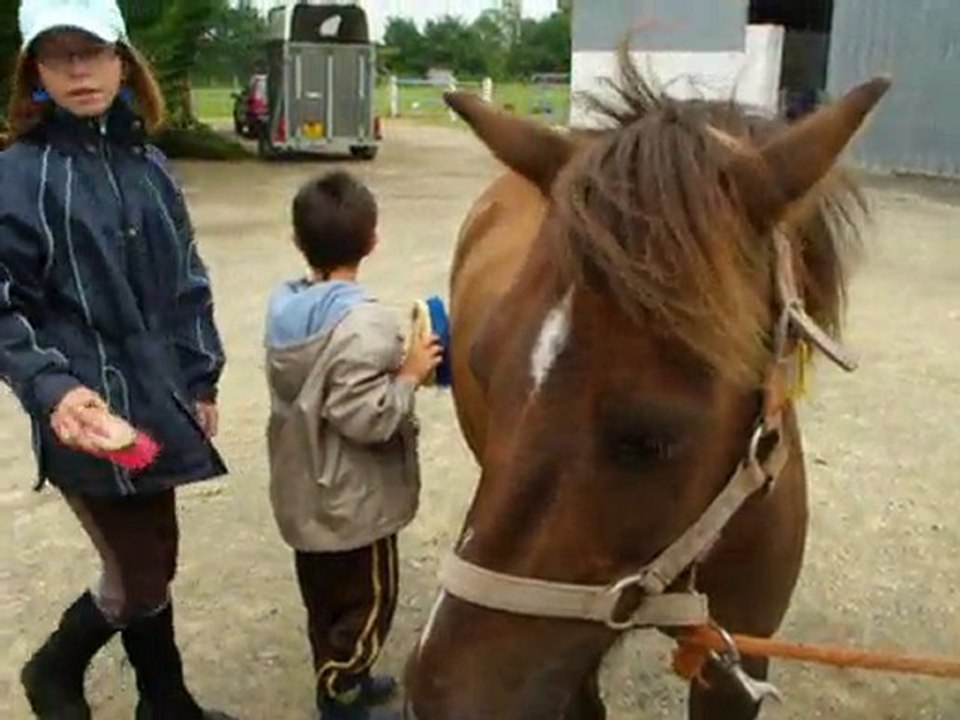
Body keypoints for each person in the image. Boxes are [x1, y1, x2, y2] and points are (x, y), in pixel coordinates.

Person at [0, 1, 234, 718]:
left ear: (123, 60)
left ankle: (164, 701)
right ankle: (51, 674)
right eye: (59, 54)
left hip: (155, 405)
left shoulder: (150, 167)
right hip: (88, 418)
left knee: (155, 556)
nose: (79, 69)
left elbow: (187, 284)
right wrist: (54, 390)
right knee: (134, 573)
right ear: (35, 71)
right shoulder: (19, 174)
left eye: (92, 51)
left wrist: (200, 378)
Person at [264, 171, 442, 720]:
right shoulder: (367, 326)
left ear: (298, 242)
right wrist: (410, 375)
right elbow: (367, 418)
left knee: (324, 600)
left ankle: (344, 674)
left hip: (305, 489)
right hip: (353, 502)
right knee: (369, 602)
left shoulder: (285, 309)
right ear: (372, 241)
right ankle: (341, 693)